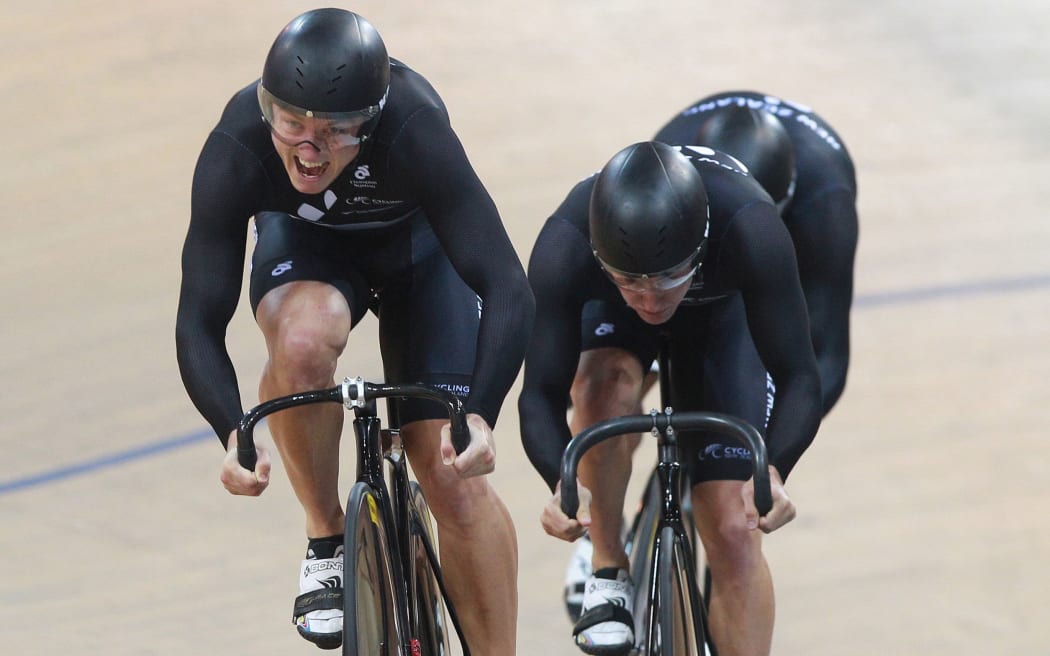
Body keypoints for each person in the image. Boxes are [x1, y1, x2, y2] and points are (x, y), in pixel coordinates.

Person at [175, 9, 534, 652]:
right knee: (303, 341)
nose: (309, 150)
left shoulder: (415, 129)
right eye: (292, 125)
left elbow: (506, 284)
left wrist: (479, 414)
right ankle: (325, 537)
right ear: (267, 109)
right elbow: (200, 318)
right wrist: (231, 428)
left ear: (369, 120)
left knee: (451, 477)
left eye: (335, 131)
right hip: (311, 249)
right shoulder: (236, 147)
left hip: (421, 254)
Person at [560, 90, 859, 628]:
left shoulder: (821, 201)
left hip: (739, 290)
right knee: (605, 386)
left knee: (733, 522)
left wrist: (765, 459)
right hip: (669, 259)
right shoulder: (672, 174)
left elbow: (821, 360)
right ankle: (604, 542)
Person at [519, 140, 824, 656]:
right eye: (632, 282)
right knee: (602, 387)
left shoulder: (751, 227)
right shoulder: (565, 244)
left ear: (701, 245)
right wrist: (561, 483)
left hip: (719, 312)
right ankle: (608, 574)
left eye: (665, 279)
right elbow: (540, 396)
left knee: (733, 526)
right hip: (612, 316)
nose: (650, 300)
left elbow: (799, 376)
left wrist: (773, 470)